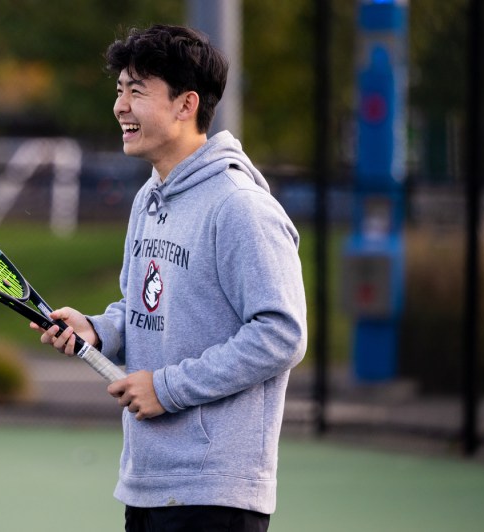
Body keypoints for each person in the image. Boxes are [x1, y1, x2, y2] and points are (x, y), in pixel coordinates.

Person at [32, 24, 307, 531]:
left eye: (137, 91)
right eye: (119, 90)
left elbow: (282, 333)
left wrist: (168, 387)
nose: (120, 106)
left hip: (216, 495)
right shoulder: (149, 197)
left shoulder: (240, 208)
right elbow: (144, 304)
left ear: (186, 105)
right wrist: (100, 330)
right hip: (148, 482)